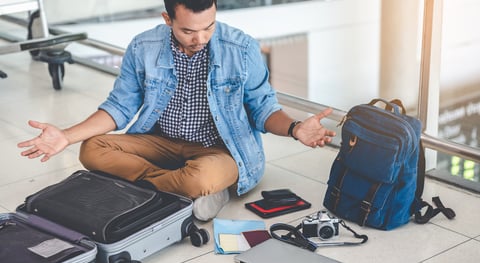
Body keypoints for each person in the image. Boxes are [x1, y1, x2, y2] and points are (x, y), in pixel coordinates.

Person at [17, 0, 336, 221]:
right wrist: (66, 137)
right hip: (160, 143)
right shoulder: (143, 47)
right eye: (188, 31)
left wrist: (296, 129)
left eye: (208, 27)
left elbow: (263, 107)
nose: (201, 38)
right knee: (92, 149)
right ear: (167, 19)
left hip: (221, 152)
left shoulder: (241, 48)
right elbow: (119, 106)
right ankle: (186, 191)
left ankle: (169, 188)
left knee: (202, 176)